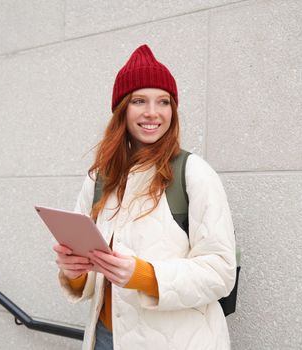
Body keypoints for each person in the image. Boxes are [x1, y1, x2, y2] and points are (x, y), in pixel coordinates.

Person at [53, 44, 236, 350]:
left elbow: (220, 272)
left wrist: (144, 275)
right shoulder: (99, 178)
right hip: (103, 339)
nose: (153, 113)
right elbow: (89, 279)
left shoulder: (193, 172)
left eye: (163, 102)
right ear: (122, 109)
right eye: (140, 101)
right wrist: (73, 272)